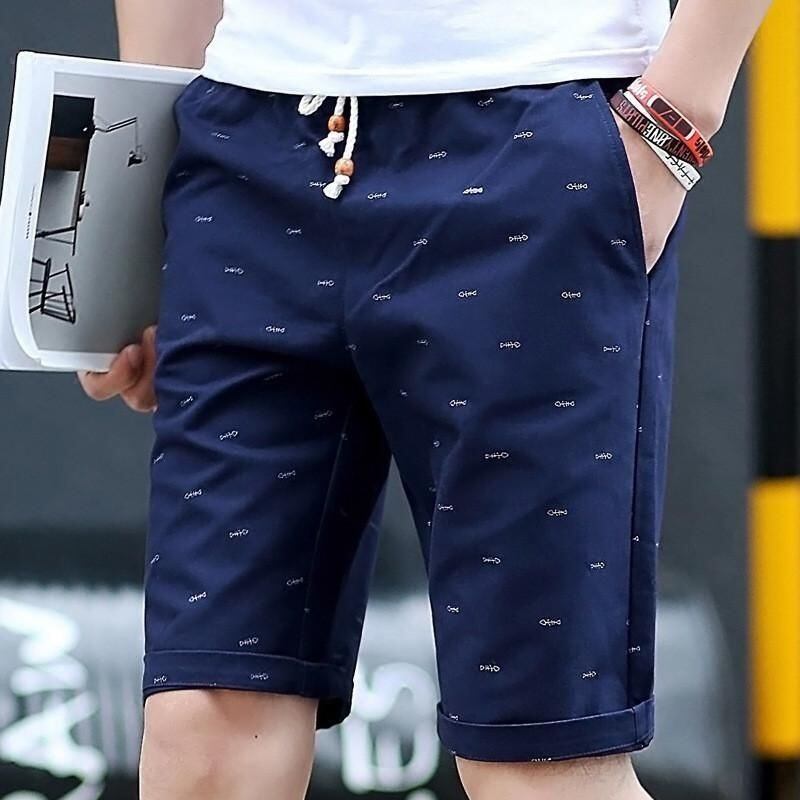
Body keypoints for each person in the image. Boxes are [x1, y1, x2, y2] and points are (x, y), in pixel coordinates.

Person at [79, 1, 770, 797]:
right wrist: (136, 221)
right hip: (245, 148)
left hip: (533, 131)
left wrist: (673, 124)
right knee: (202, 736)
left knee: (539, 765)